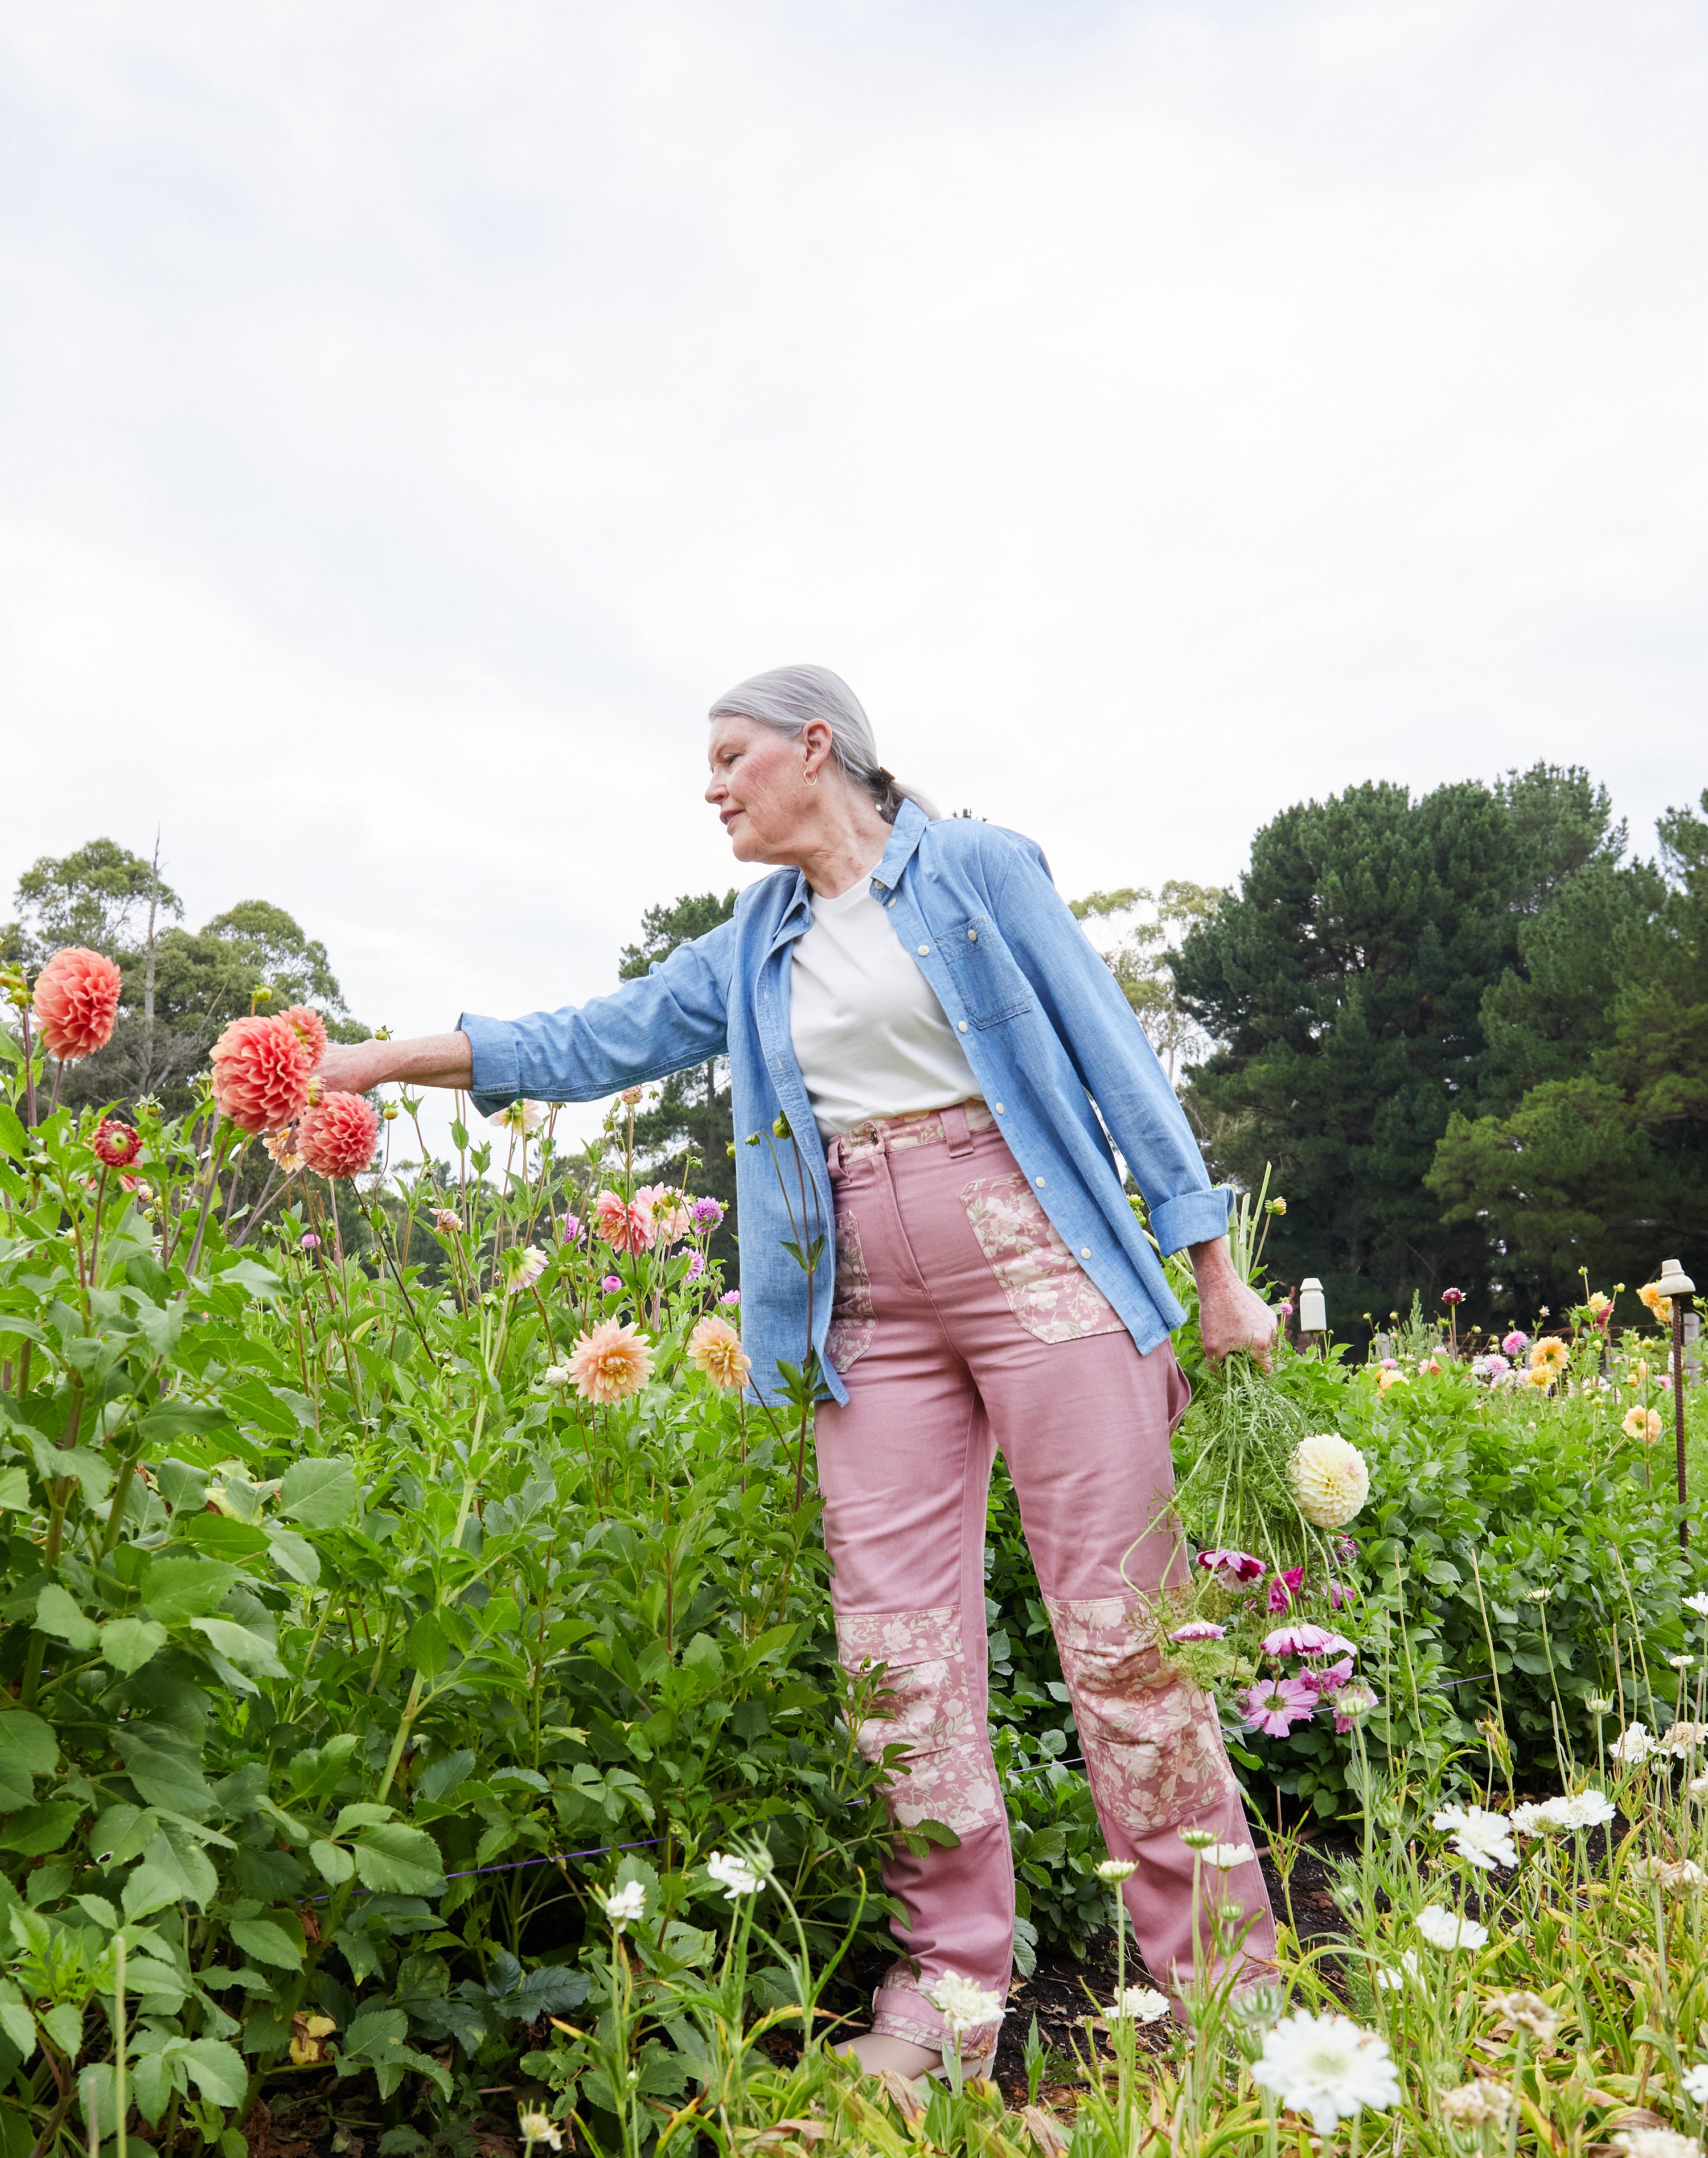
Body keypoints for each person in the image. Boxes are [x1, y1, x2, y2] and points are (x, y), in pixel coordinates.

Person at [316, 664, 1279, 2078]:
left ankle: (1225, 2003)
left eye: (729, 757)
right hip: (864, 1311)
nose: (710, 789)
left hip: (1041, 1266)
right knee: (894, 1658)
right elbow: (593, 1037)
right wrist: (385, 1059)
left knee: (1126, 1635)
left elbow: (1112, 1052)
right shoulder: (752, 942)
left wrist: (1213, 1266)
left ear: (814, 748)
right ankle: (949, 1999)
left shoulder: (979, 871)